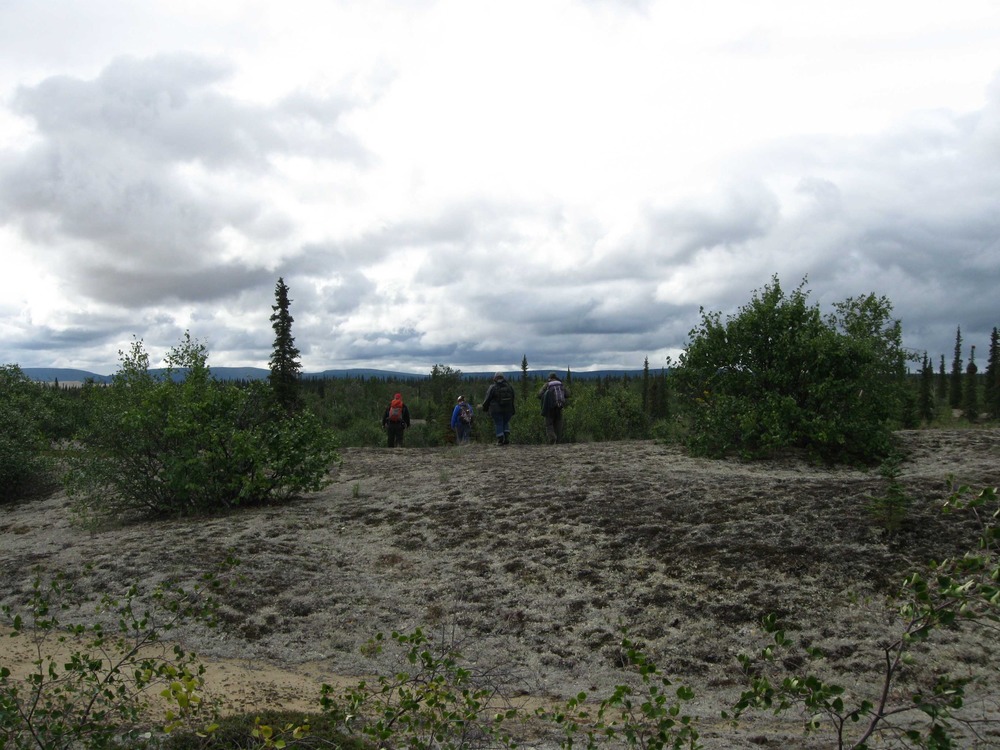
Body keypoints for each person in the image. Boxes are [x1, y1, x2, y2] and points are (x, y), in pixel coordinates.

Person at [481, 372, 516, 445]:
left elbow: (487, 399)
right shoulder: (509, 387)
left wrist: (485, 408)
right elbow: (513, 398)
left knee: (499, 423)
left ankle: (500, 440)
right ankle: (506, 439)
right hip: (508, 409)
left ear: (495, 378)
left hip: (496, 410)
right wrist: (513, 409)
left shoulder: (493, 387)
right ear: (503, 378)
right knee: (505, 422)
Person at [538, 372, 569, 444]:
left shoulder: (547, 385)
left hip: (550, 408)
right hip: (559, 407)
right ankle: (558, 441)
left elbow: (539, 395)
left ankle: (552, 437)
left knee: (549, 424)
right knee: (558, 424)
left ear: (550, 378)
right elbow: (567, 394)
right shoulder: (561, 384)